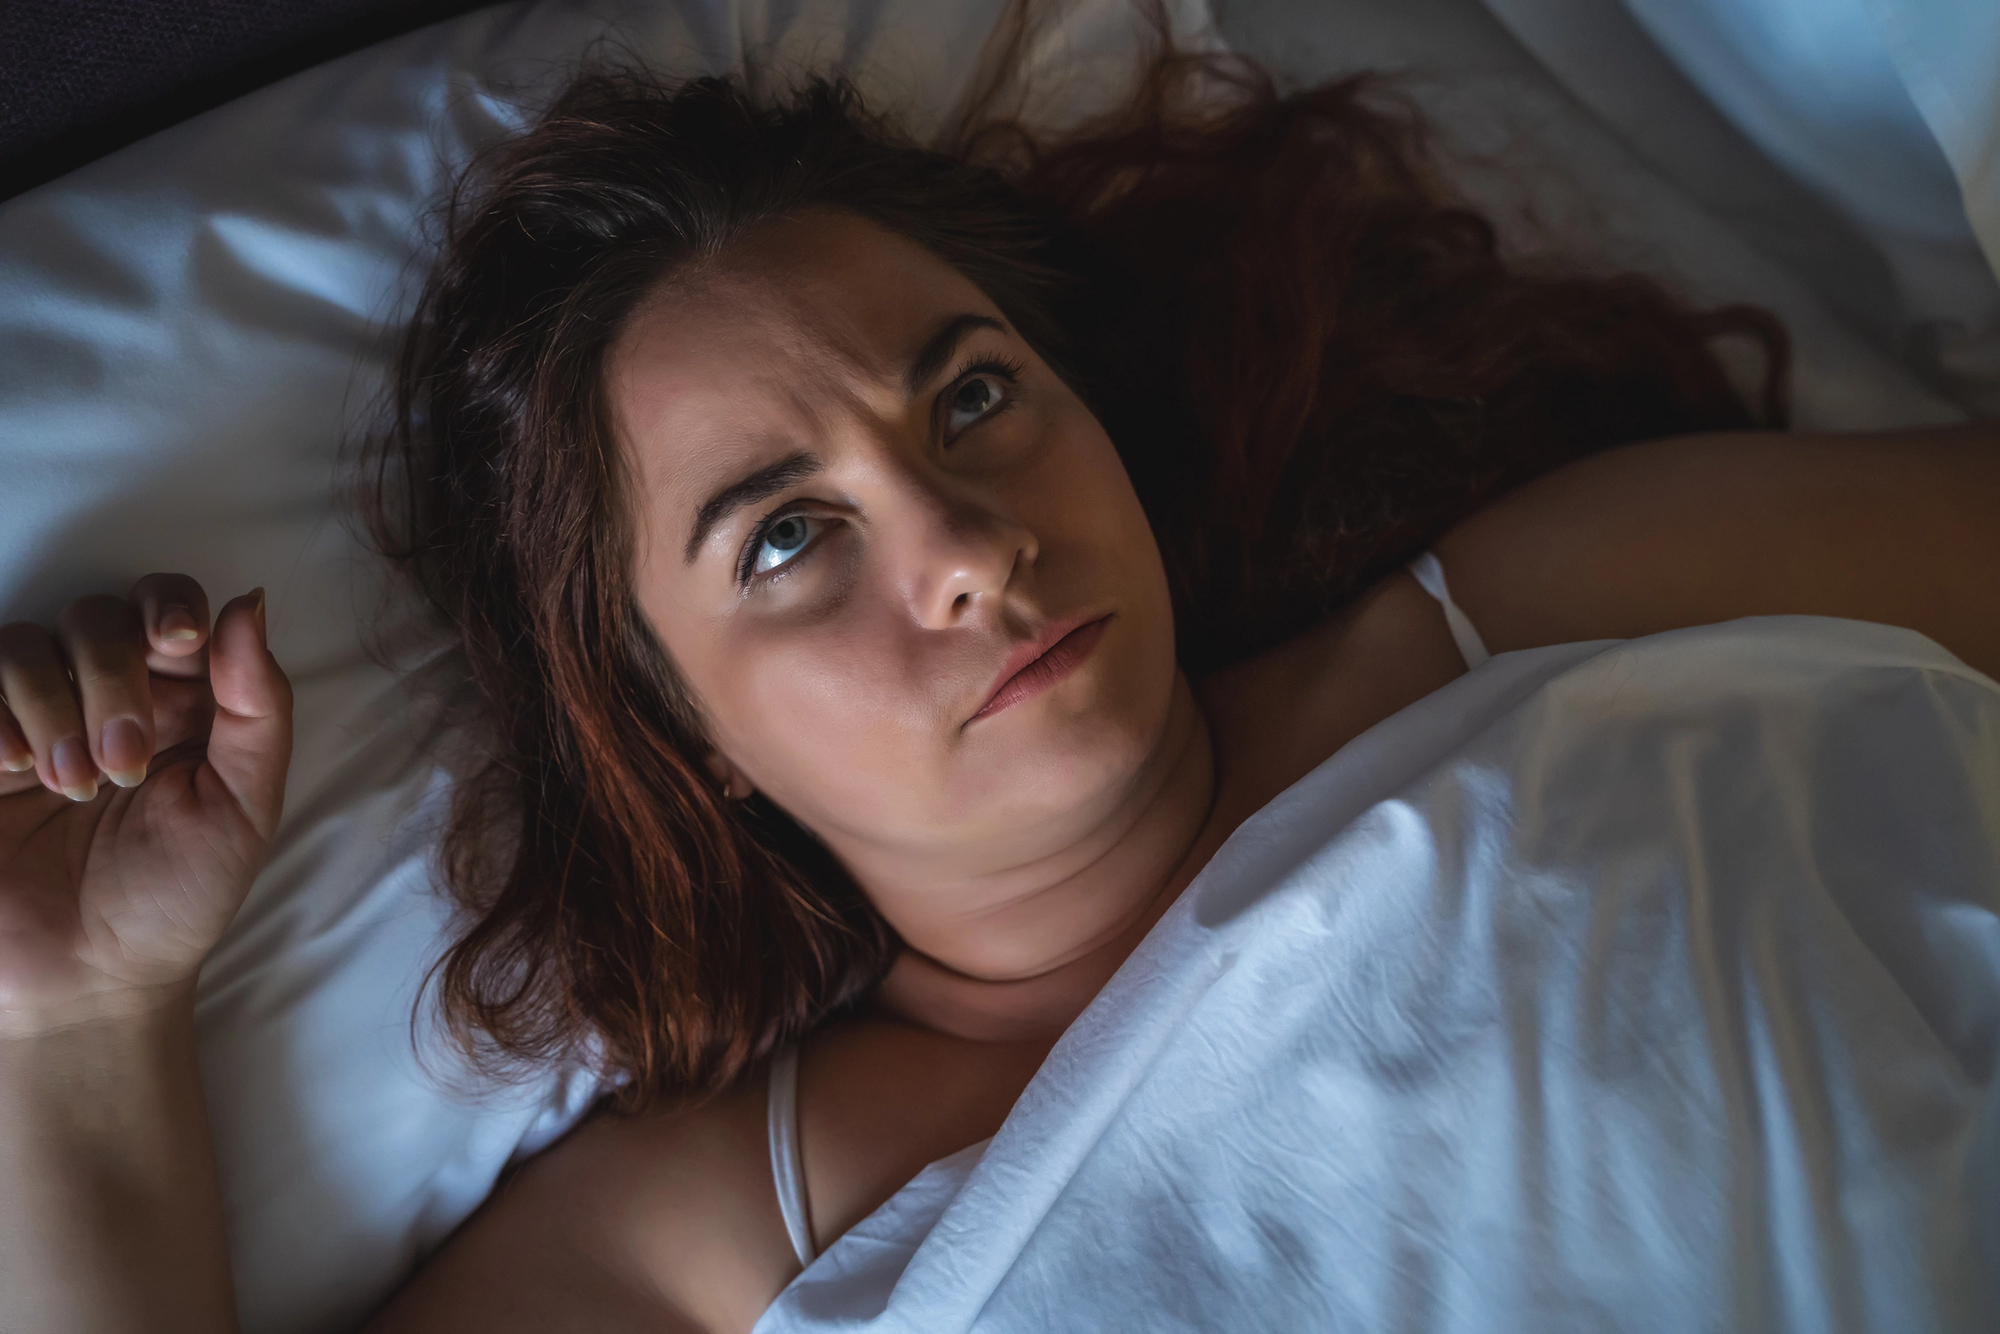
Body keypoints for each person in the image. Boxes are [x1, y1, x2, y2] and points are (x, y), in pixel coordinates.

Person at [3, 30, 1997, 1334]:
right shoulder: (696, 1241)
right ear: (675, 729)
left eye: (969, 395)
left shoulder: (1565, 603)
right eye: (785, 537)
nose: (963, 545)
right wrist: (82, 1016)